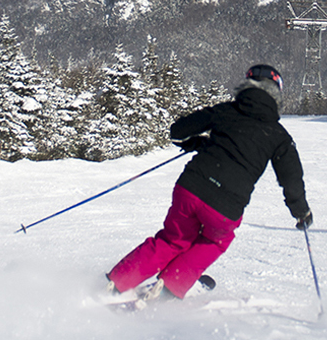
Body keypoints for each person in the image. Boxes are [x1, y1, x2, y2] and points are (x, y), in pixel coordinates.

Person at [106, 64, 312, 302]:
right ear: (277, 94)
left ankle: (117, 282)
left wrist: (200, 142)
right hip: (226, 207)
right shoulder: (279, 137)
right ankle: (171, 286)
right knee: (214, 241)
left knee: (172, 239)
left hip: (191, 188)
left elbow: (178, 131)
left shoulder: (226, 111)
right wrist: (301, 212)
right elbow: (291, 179)